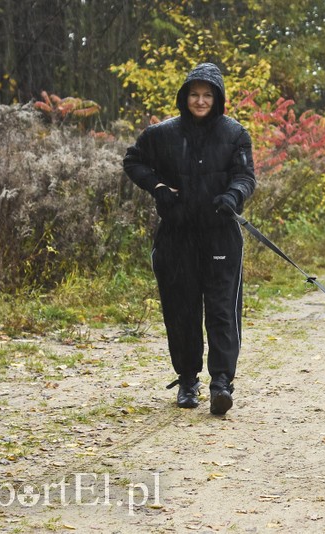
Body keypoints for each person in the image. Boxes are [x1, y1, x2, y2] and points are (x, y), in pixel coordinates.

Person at [123, 63, 256, 415]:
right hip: (176, 237)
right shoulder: (161, 134)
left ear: (217, 98)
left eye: (207, 95)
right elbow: (133, 160)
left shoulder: (235, 134)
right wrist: (157, 186)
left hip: (220, 235)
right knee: (181, 311)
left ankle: (221, 383)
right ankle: (187, 380)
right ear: (185, 97)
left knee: (222, 311)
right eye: (194, 94)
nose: (200, 101)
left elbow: (246, 176)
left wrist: (233, 196)